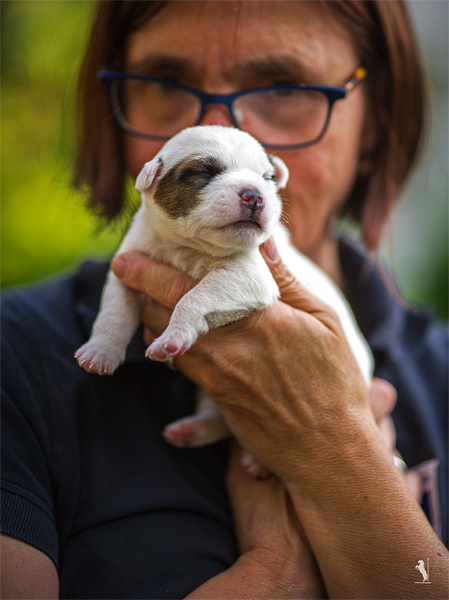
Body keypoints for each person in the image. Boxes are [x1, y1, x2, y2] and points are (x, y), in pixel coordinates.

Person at [0, 0, 448, 598]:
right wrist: (278, 571)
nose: (223, 126)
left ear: (376, 122)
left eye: (284, 87)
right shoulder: (14, 355)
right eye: (164, 84)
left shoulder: (441, 376)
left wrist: (341, 457)